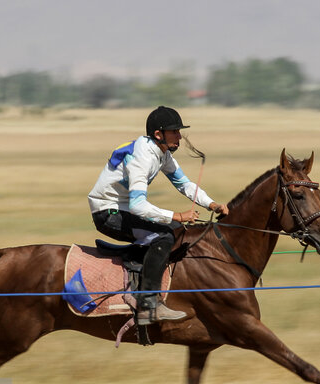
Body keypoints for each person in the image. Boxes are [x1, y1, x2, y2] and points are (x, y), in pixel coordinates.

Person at [88, 106, 229, 325]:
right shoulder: (142, 156)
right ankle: (148, 306)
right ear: (158, 134)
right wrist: (178, 215)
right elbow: (137, 206)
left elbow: (184, 184)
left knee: (176, 231)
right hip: (108, 213)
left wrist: (212, 204)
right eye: (174, 131)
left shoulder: (161, 153)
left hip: (122, 208)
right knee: (164, 236)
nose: (179, 136)